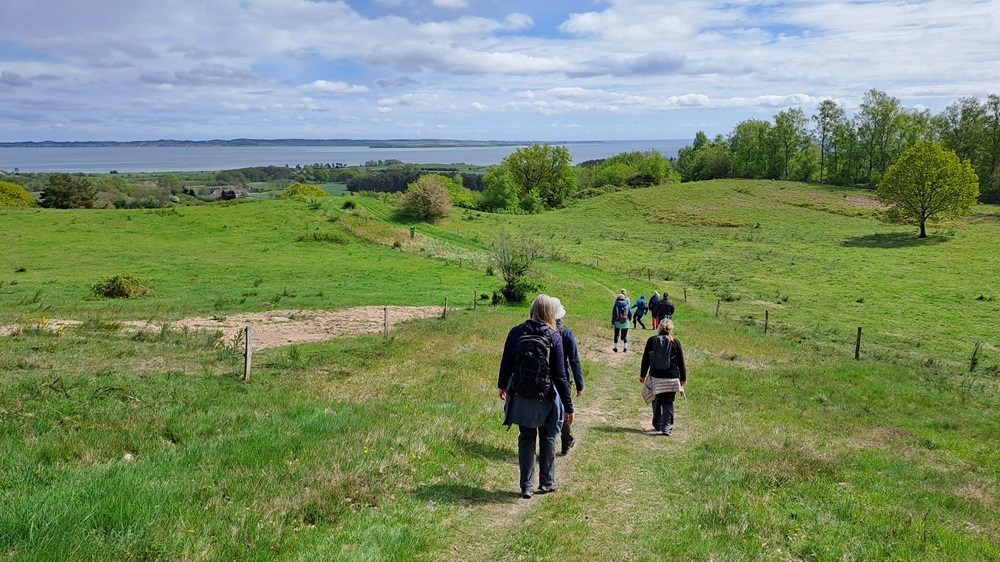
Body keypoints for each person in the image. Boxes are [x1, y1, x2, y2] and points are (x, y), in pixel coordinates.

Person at [498, 294, 575, 499]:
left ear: (531, 309)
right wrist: (569, 406)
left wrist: (501, 386)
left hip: (522, 395)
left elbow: (506, 363)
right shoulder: (554, 336)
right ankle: (547, 482)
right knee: (549, 437)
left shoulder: (515, 332)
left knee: (526, 437)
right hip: (547, 397)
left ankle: (526, 486)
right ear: (551, 313)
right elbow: (560, 376)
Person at [639, 319, 687, 436]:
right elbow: (681, 362)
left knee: (656, 400)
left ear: (659, 328)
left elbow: (646, 359)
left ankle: (657, 423)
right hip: (671, 378)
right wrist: (683, 378)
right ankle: (667, 427)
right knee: (668, 401)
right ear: (671, 329)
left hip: (656, 377)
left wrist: (642, 374)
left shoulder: (651, 341)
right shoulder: (676, 342)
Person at [552, 297, 584, 455]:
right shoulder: (566, 333)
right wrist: (580, 384)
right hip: (563, 377)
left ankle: (560, 441)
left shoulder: (541, 332)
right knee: (564, 409)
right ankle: (566, 441)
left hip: (543, 377)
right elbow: (574, 360)